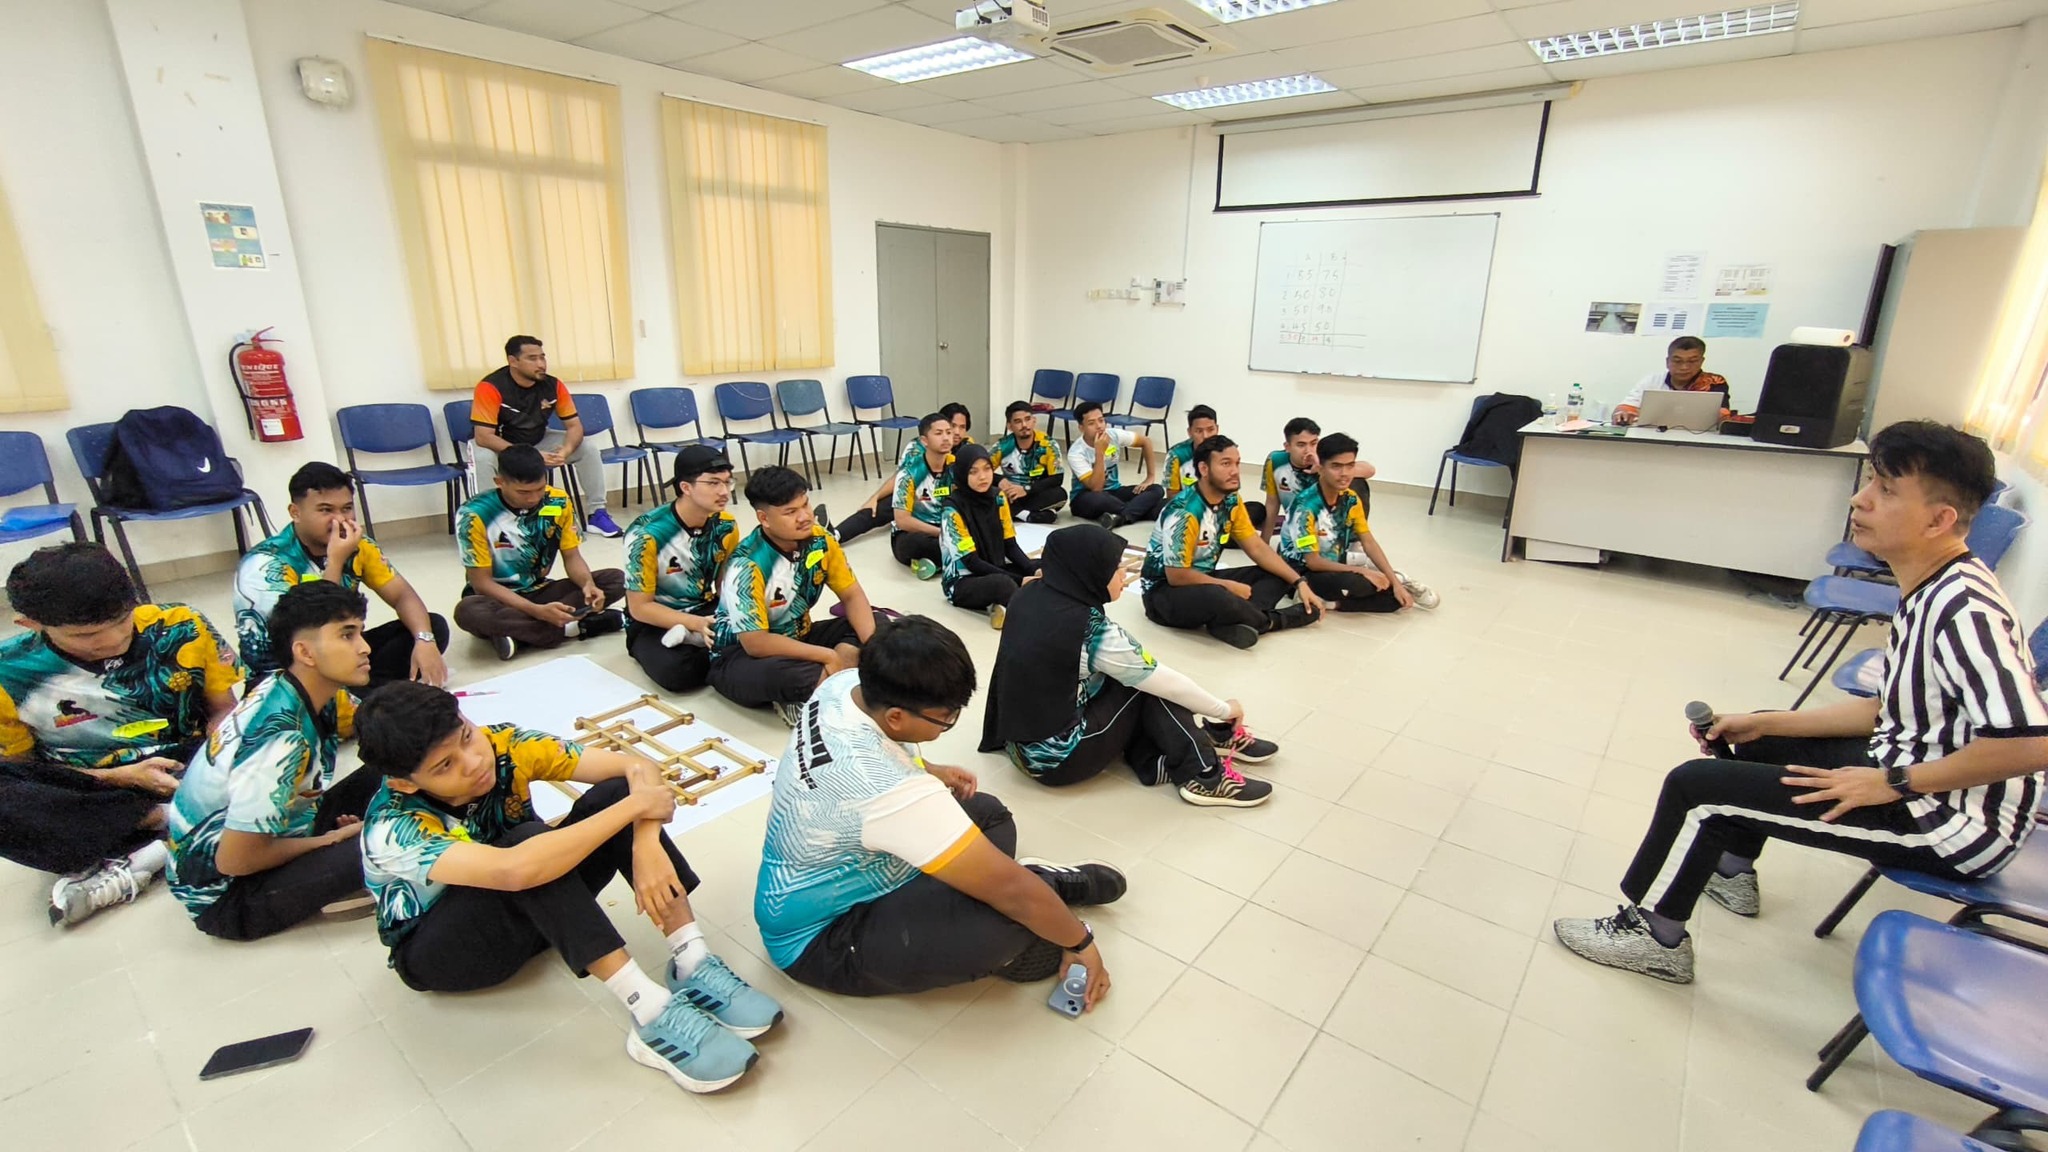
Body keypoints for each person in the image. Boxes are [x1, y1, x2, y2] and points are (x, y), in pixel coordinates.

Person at [1555, 421, 2048, 984]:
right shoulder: (1932, 583)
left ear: (1939, 520)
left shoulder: (1964, 611)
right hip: (1916, 771)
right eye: (1870, 481)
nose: (1860, 499)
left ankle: (1654, 937)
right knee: (1761, 737)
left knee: (1697, 789)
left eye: (1886, 490)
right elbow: (1890, 707)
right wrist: (1767, 723)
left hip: (1951, 825)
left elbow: (2032, 745)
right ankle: (1732, 871)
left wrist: (1892, 782)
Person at [355, 682, 782, 1093]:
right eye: (445, 766)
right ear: (405, 782)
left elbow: (637, 768)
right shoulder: (393, 827)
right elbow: (515, 870)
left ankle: (692, 959)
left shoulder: (504, 744)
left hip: (535, 906)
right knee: (530, 847)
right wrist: (635, 809)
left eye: (466, 736)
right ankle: (649, 1010)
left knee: (613, 793)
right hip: (446, 951)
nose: (473, 761)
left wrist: (646, 842)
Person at [758, 614, 1126, 1002]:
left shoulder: (844, 686)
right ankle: (1042, 884)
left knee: (990, 816)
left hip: (867, 865)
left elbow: (869, 748)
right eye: (946, 718)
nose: (949, 722)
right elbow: (1010, 890)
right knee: (1008, 921)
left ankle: (1030, 896)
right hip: (822, 937)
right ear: (896, 716)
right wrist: (1082, 943)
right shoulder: (888, 790)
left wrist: (930, 769)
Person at [0, 543, 242, 925]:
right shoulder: (9, 673)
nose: (113, 639)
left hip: (189, 761)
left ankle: (143, 850)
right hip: (94, 788)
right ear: (31, 624)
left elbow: (223, 709)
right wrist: (116, 777)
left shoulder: (181, 624)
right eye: (87, 635)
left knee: (276, 721)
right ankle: (167, 823)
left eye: (122, 620)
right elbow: (24, 772)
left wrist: (218, 754)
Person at [982, 526, 1279, 807]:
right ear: (1089, 572)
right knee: (1146, 685)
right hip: (1056, 758)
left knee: (1130, 675)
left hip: (1019, 740)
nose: (1125, 574)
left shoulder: (1029, 594)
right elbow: (1165, 682)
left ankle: (1154, 761)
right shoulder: (1091, 629)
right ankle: (1205, 775)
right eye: (1115, 568)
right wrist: (1224, 710)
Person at [166, 582, 382, 941]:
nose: (365, 647)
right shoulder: (280, 740)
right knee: (394, 835)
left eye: (360, 632)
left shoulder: (295, 686)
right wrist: (331, 840)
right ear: (305, 652)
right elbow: (234, 861)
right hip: (230, 898)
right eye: (347, 635)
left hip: (279, 830)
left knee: (402, 766)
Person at [233, 462, 450, 690]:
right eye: (326, 510)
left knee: (431, 627)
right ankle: (372, 693)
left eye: (346, 508)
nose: (339, 520)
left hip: (337, 653)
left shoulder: (358, 544)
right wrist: (335, 561)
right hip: (290, 672)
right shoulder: (265, 564)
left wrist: (425, 640)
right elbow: (311, 631)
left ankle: (371, 691)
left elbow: (402, 595)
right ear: (295, 512)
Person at [709, 466, 879, 725]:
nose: (805, 517)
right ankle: (823, 688)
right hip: (742, 655)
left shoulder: (820, 539)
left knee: (877, 626)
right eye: (790, 512)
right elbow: (756, 643)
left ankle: (828, 684)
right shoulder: (747, 565)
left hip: (799, 635)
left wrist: (876, 649)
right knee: (796, 675)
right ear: (764, 518)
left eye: (805, 504)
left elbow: (852, 595)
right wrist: (828, 656)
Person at [1140, 436, 1325, 649]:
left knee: (1281, 570)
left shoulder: (1231, 500)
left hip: (1204, 577)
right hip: (1163, 594)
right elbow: (1177, 576)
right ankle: (1271, 621)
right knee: (1217, 594)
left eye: (1237, 463)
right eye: (1226, 464)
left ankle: (1232, 620)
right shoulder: (1184, 512)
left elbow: (1257, 547)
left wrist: (1300, 582)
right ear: (1204, 468)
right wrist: (1227, 586)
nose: (1235, 471)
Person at [453, 444, 626, 662]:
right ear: (500, 482)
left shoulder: (558, 501)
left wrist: (587, 585)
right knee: (467, 611)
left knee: (616, 579)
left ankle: (522, 635)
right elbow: (482, 584)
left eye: (540, 489)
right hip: (494, 598)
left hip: (538, 589)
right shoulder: (473, 514)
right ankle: (574, 627)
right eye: (523, 492)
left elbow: (572, 556)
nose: (533, 498)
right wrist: (536, 611)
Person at [471, 335, 623, 537]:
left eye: (542, 357)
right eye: (532, 358)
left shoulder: (553, 385)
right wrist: (531, 456)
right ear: (513, 361)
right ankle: (492, 523)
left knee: (587, 448)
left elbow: (574, 426)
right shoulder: (490, 387)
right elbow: (483, 437)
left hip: (538, 439)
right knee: (482, 458)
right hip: (500, 445)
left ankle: (597, 514)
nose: (541, 364)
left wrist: (565, 450)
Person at [1278, 433, 1439, 612]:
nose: (1344, 474)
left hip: (1335, 563)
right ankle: (1393, 580)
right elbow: (1313, 562)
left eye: (1350, 466)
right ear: (1320, 468)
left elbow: (1368, 542)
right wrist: (1363, 572)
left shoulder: (1351, 499)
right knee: (1357, 583)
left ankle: (1333, 603)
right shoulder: (1305, 507)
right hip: (1301, 572)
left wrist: (1394, 583)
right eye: (1336, 466)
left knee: (1395, 599)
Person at [624, 446, 739, 693]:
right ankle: (721, 653)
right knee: (676, 673)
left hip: (704, 606)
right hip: (656, 619)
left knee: (768, 630)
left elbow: (723, 585)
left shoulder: (726, 525)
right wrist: (694, 623)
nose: (724, 492)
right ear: (686, 487)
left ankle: (711, 647)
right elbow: (640, 607)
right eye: (714, 483)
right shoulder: (645, 534)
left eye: (728, 482)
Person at [938, 444, 1038, 629]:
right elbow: (971, 561)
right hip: (963, 581)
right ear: (962, 474)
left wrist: (1032, 570)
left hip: (995, 566)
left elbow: (1010, 545)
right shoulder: (952, 509)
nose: (983, 477)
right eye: (973, 472)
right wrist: (1020, 580)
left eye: (987, 469)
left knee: (1045, 565)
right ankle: (1019, 605)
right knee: (1003, 584)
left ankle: (1006, 607)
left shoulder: (998, 498)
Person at [1067, 401, 1162, 528]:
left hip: (1114, 492)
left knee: (1156, 489)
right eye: (1091, 423)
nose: (1099, 426)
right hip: (1086, 498)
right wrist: (1099, 453)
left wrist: (1150, 477)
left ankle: (1121, 517)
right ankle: (1140, 510)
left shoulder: (1114, 435)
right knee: (1100, 499)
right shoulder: (1076, 453)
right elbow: (1096, 488)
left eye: (1101, 420)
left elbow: (1146, 441)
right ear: (1081, 428)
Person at [1611, 336, 1731, 426]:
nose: (1684, 367)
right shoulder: (1652, 381)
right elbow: (1626, 407)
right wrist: (1622, 414)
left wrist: (1722, 416)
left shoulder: (1714, 382)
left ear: (1701, 361)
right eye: (1677, 361)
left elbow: (1723, 414)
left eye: (1692, 361)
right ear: (1667, 361)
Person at [892, 413, 956, 579]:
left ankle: (938, 563)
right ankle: (950, 560)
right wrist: (941, 533)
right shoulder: (909, 473)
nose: (946, 438)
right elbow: (902, 520)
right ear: (924, 441)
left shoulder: (956, 466)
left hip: (948, 527)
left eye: (949, 432)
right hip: (916, 532)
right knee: (915, 544)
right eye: (938, 433)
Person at [989, 401, 1065, 523]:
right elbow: (982, 471)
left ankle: (1011, 512)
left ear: (1034, 421)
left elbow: (1057, 478)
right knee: (985, 491)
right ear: (1009, 426)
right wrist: (1000, 480)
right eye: (1018, 421)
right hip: (1009, 493)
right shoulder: (1001, 446)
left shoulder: (1048, 444)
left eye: (1028, 419)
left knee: (1060, 494)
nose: (1024, 425)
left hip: (1034, 492)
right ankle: (1026, 515)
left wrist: (1026, 489)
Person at [1259, 417, 1321, 546]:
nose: (1309, 450)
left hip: (1326, 530)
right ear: (1287, 447)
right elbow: (1272, 503)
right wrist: (1263, 543)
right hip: (1296, 528)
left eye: (1313, 443)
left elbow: (1365, 469)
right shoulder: (1275, 461)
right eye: (1301, 445)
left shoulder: (1327, 461)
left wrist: (1323, 470)